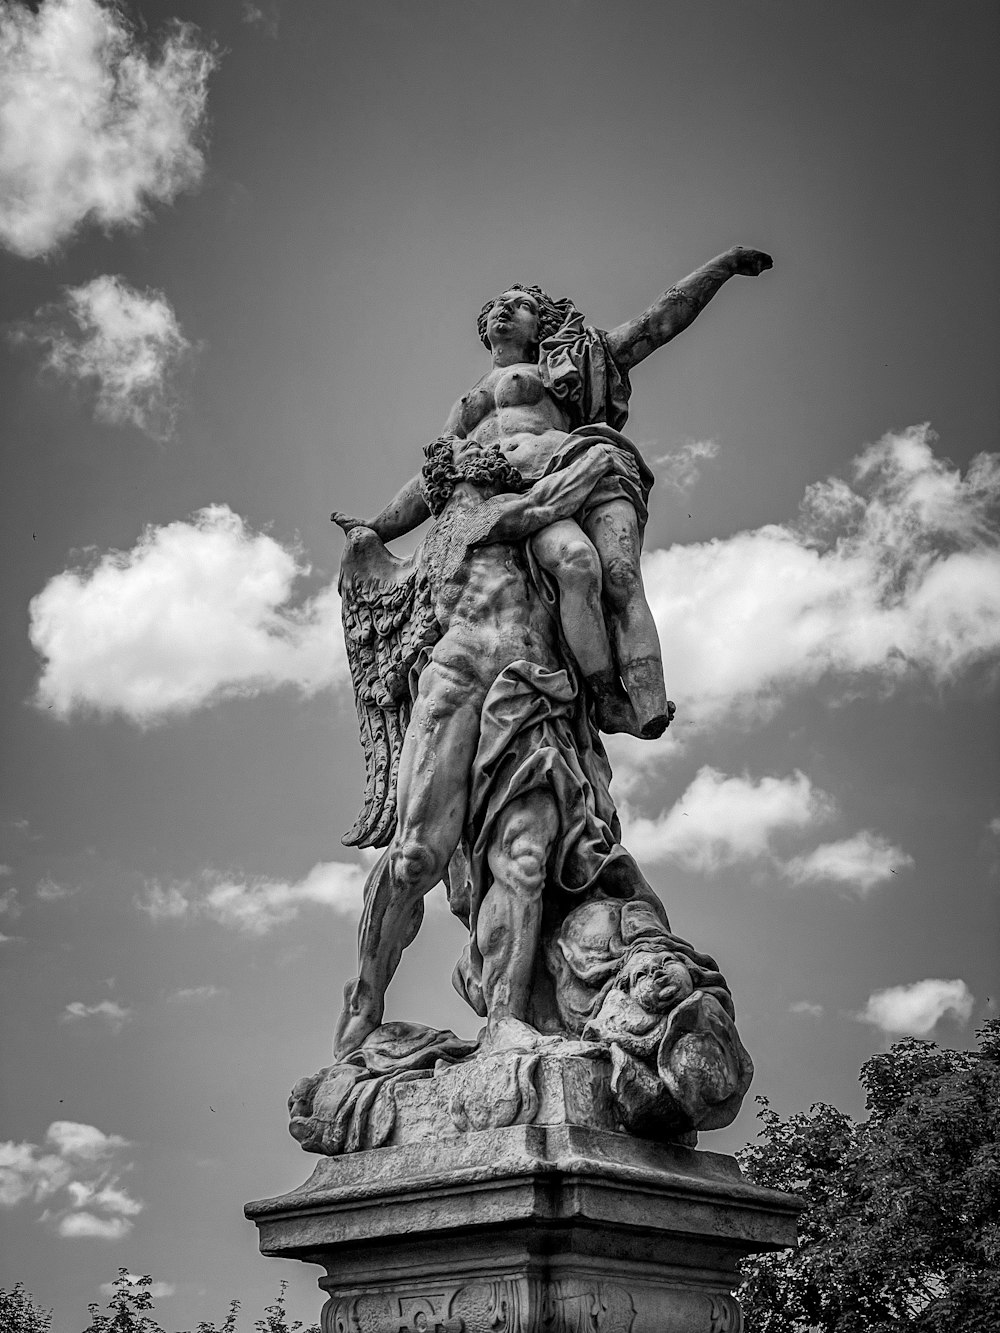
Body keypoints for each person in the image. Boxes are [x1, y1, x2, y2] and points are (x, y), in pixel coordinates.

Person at [333, 247, 773, 738]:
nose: (505, 308)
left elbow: (655, 324)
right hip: (498, 501)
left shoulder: (565, 364)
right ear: (484, 329)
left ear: (539, 323)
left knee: (613, 571)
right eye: (499, 303)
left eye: (519, 304)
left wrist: (724, 265)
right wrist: (374, 526)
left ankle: (628, 699)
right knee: (572, 563)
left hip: (566, 472)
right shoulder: (465, 405)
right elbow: (431, 480)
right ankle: (589, 695)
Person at [332, 433, 654, 1058]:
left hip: (534, 691)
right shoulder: (467, 525)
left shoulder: (513, 532)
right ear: (456, 486)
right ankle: (365, 1001)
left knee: (525, 861)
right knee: (416, 858)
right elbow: (547, 500)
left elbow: (569, 557)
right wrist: (604, 454)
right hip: (455, 688)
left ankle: (507, 1020)